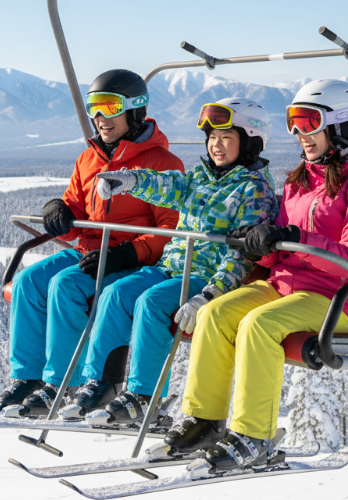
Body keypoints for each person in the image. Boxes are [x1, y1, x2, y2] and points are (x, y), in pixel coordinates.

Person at [163, 80, 348, 472]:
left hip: (334, 300)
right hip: (283, 286)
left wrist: (295, 238)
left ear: (343, 126)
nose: (300, 134)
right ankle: (204, 420)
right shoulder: (299, 181)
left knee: (259, 325)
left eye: (309, 123)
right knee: (214, 314)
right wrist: (259, 244)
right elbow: (279, 249)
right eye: (294, 123)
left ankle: (253, 436)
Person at [59, 98, 278, 423]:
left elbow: (244, 255)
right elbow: (169, 185)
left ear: (250, 142)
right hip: (171, 268)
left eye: (227, 138)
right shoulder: (203, 177)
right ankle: (103, 382)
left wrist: (210, 294)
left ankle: (143, 395)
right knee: (115, 293)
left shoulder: (254, 191)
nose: (216, 145)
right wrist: (131, 180)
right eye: (212, 137)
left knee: (151, 303)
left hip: (205, 276)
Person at [0, 69, 184, 417]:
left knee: (66, 285)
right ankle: (29, 377)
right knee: (27, 282)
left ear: (135, 109)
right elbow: (75, 212)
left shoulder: (163, 165)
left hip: (131, 259)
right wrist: (59, 212)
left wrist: (127, 253)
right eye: (93, 107)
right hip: (90, 252)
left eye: (110, 106)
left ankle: (63, 384)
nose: (99, 117)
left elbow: (170, 229)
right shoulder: (88, 158)